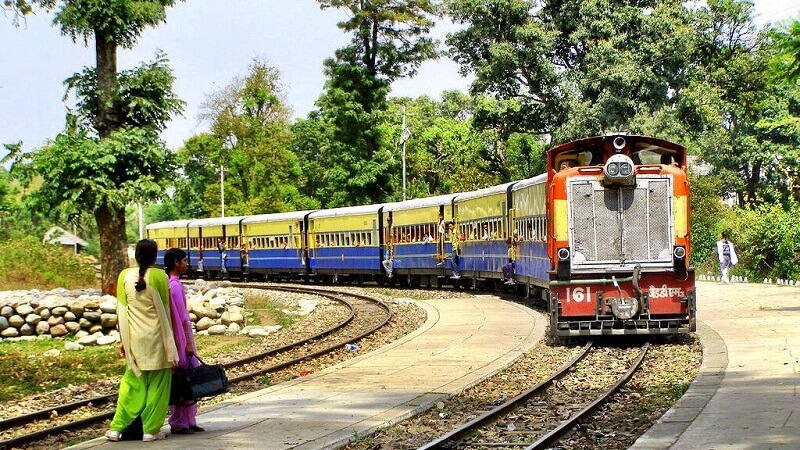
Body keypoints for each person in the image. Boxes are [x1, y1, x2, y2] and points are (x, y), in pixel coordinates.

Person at [106, 239, 178, 443]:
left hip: (134, 339)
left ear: (136, 256)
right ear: (155, 256)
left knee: (131, 384)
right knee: (159, 385)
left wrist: (123, 341)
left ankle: (116, 428)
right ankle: (150, 430)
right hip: (157, 339)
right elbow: (166, 311)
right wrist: (174, 343)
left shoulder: (124, 276)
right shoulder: (159, 276)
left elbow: (121, 311)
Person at [164, 248, 205, 435]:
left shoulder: (173, 285)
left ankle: (189, 419)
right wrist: (187, 342)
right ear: (175, 262)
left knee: (186, 378)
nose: (186, 264)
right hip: (182, 336)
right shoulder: (175, 287)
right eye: (184, 260)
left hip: (182, 334)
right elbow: (180, 318)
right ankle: (180, 421)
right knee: (183, 378)